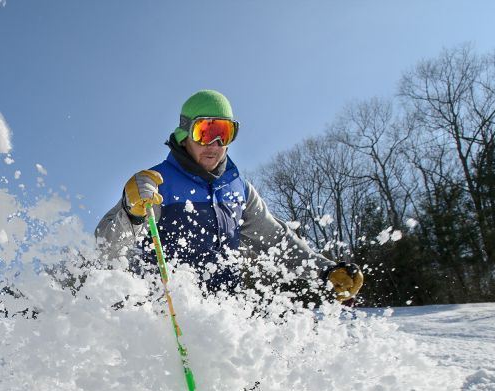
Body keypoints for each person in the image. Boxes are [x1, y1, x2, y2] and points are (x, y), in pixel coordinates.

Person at [94, 89, 363, 305]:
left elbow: (276, 241)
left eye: (223, 134)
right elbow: (107, 249)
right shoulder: (155, 184)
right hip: (166, 318)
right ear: (185, 134)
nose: (214, 145)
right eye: (205, 132)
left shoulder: (239, 189)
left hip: (223, 321)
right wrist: (132, 214)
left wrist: (324, 271)